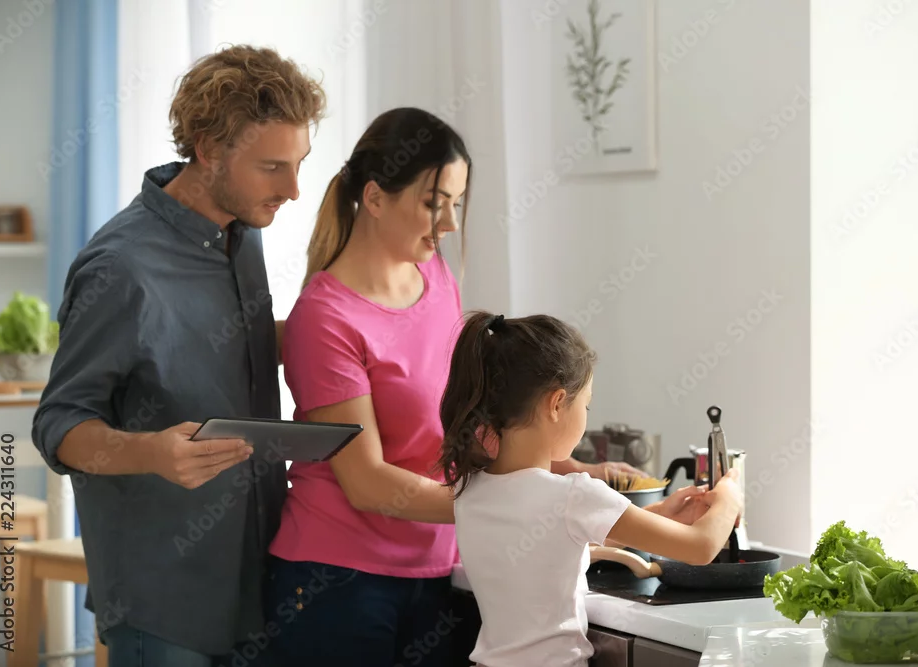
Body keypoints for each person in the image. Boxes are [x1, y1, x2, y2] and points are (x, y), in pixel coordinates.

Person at [263, 107, 646, 666]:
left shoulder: (437, 280)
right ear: (374, 198)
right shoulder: (325, 317)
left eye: (456, 205)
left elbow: (461, 434)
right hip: (336, 582)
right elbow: (367, 483)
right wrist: (528, 508)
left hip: (437, 571)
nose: (448, 224)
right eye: (432, 203)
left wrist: (574, 475)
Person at [31, 45, 325, 666]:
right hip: (162, 601)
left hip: (256, 578)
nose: (294, 190)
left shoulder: (241, 233)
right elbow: (57, 422)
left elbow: (213, 348)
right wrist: (152, 452)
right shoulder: (119, 267)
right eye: (273, 167)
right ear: (209, 148)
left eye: (299, 164)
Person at [438, 312, 745, 667]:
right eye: (586, 404)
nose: (586, 414)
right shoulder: (573, 495)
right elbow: (701, 547)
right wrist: (729, 495)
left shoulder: (470, 491)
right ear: (556, 404)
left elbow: (557, 542)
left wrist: (659, 514)